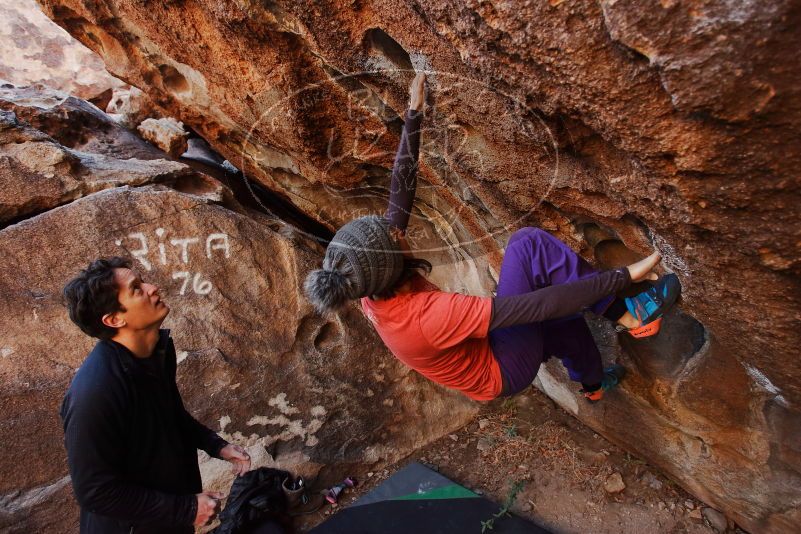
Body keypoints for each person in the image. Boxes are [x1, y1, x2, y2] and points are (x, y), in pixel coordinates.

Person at [305, 72, 681, 402]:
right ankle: (629, 313)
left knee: (565, 325)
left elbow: (399, 195)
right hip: (502, 371)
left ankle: (594, 385)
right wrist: (623, 277)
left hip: (482, 350)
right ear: (392, 260)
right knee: (528, 245)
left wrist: (413, 114)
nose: (395, 226)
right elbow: (530, 308)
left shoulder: (370, 280)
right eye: (391, 233)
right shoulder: (424, 317)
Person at [61, 257, 252, 533]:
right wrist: (187, 509)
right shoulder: (95, 391)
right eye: (136, 289)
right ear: (114, 318)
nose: (152, 288)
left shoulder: (154, 353)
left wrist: (217, 446)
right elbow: (94, 492)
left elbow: (168, 415)